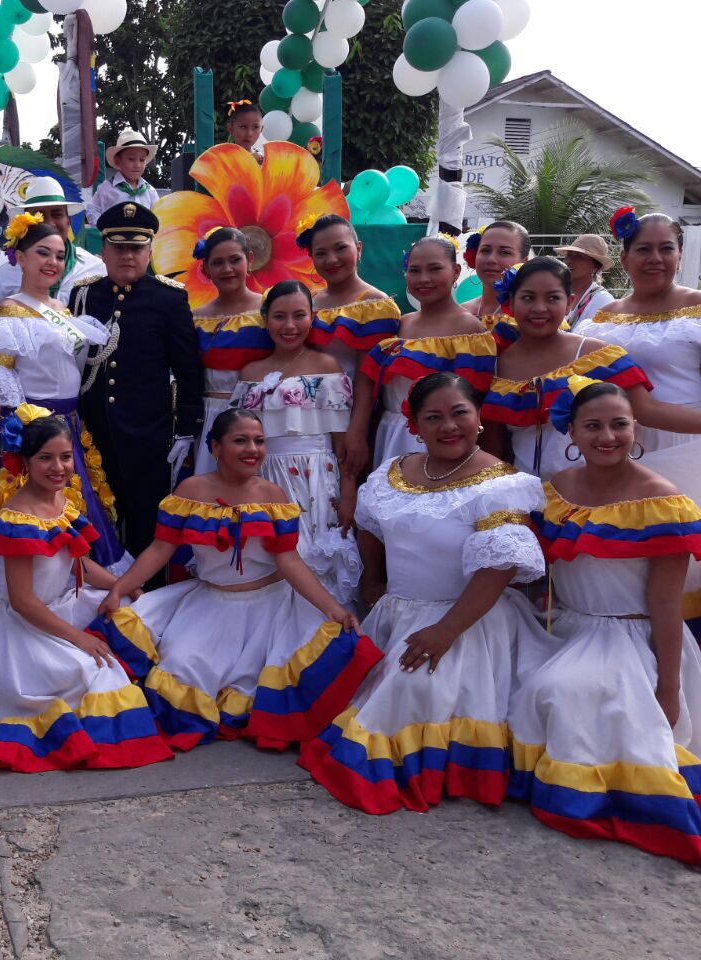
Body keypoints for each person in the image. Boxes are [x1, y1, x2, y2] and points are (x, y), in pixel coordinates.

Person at [300, 373, 549, 814]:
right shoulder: (394, 471)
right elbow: (370, 526)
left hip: (467, 623)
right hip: (395, 615)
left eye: (459, 413)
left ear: (478, 418)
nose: (448, 426)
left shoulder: (501, 485)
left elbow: (498, 569)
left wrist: (445, 633)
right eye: (433, 417)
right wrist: (371, 581)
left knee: (413, 694)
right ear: (414, 425)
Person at [89, 409, 370, 751]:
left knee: (271, 678)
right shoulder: (191, 490)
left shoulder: (273, 495)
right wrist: (118, 588)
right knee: (181, 670)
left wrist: (332, 607)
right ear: (216, 448)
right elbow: (161, 548)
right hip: (210, 603)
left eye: (259, 441)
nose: (252, 449)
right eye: (240, 440)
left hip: (271, 609)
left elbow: (289, 560)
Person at [510, 379, 701, 865]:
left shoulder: (661, 502)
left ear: (635, 427)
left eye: (619, 424)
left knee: (558, 690)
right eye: (592, 426)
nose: (607, 436)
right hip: (565, 626)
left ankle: (598, 794)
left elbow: (665, 602)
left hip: (633, 639)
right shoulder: (554, 490)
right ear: (571, 431)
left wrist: (669, 683)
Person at [0, 407, 173, 772]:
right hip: (19, 627)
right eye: (45, 459)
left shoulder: (62, 503)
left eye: (66, 457)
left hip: (58, 605)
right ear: (24, 462)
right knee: (94, 672)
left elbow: (81, 564)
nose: (58, 467)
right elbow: (23, 602)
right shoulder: (19, 518)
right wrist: (78, 638)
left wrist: (123, 586)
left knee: (134, 614)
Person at [0, 215, 128, 571]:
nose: (53, 262)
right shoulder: (8, 311)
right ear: (19, 256)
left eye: (60, 255)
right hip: (31, 431)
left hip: (68, 427)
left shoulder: (63, 311)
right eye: (43, 253)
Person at [480, 258, 701, 478]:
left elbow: (648, 411)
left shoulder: (596, 356)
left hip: (593, 498)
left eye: (553, 298)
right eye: (528, 297)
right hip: (524, 497)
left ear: (569, 302)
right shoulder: (498, 364)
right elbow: (494, 446)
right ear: (511, 301)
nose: (539, 308)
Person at [71, 201, 205, 559]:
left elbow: (188, 367)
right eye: (118, 247)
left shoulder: (169, 298)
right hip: (94, 432)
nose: (127, 256)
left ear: (149, 251)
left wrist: (186, 428)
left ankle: (146, 606)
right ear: (103, 250)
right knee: (99, 524)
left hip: (149, 436)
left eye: (136, 248)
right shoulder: (84, 294)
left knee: (147, 527)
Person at [233, 281, 362, 605]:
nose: (289, 326)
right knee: (269, 560)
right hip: (263, 479)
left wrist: (348, 493)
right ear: (265, 319)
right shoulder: (250, 372)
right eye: (279, 316)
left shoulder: (326, 367)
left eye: (298, 315)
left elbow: (342, 443)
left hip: (317, 478)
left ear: (311, 317)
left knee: (314, 561)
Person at [349, 235, 495, 469]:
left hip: (442, 438)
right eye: (414, 270)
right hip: (391, 434)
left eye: (435, 269)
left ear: (456, 271)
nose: (423, 279)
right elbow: (368, 379)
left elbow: (474, 398)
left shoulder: (470, 330)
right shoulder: (399, 324)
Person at [575, 209, 701, 452]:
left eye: (666, 248)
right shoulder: (602, 319)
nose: (655, 258)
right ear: (624, 258)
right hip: (613, 447)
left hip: (687, 444)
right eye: (643, 249)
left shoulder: (697, 309)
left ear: (680, 255)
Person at [189, 227, 272, 474]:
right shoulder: (195, 318)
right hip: (210, 416)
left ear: (250, 260)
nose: (227, 269)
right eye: (218, 262)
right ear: (206, 268)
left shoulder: (269, 311)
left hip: (261, 415)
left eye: (235, 260)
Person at [299, 214, 401, 381]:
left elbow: (368, 377)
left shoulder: (375, 305)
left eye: (340, 248)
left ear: (358, 248)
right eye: (321, 253)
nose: (331, 260)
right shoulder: (309, 300)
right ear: (312, 258)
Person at [0, 176, 106, 304]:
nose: (49, 223)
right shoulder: (3, 272)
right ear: (26, 223)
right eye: (39, 215)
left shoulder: (94, 268)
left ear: (68, 222)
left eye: (57, 214)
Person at [84, 129, 161, 224]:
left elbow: (159, 216)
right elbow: (92, 209)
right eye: (131, 159)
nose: (137, 165)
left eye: (142, 160)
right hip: (114, 237)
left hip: (143, 238)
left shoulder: (150, 191)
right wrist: (102, 227)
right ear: (117, 161)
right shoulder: (106, 189)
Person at [461, 220, 531, 323]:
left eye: (504, 252)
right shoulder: (460, 314)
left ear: (524, 262)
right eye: (485, 250)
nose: (491, 259)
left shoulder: (531, 316)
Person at [554, 234, 615, 325]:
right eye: (569, 255)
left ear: (595, 267)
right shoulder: (555, 291)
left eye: (579, 257)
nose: (570, 261)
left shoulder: (602, 300)